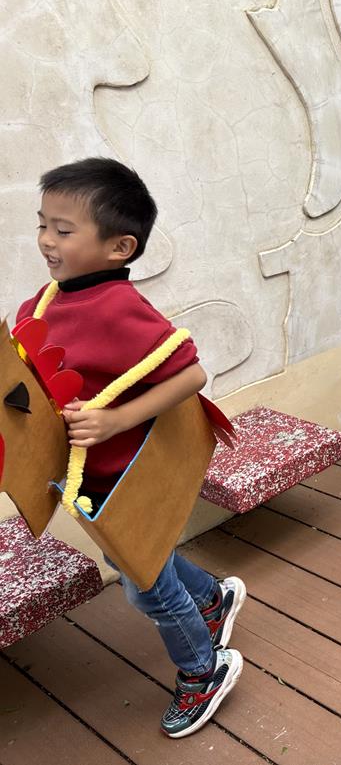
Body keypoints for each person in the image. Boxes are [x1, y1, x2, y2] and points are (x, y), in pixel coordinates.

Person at [17, 157, 245, 738]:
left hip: (127, 474)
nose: (46, 240)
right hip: (83, 473)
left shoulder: (120, 308)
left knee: (145, 585)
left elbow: (191, 374)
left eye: (63, 230)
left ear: (120, 247)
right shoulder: (43, 303)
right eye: (42, 223)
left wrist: (115, 419)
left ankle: (204, 668)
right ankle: (212, 599)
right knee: (135, 557)